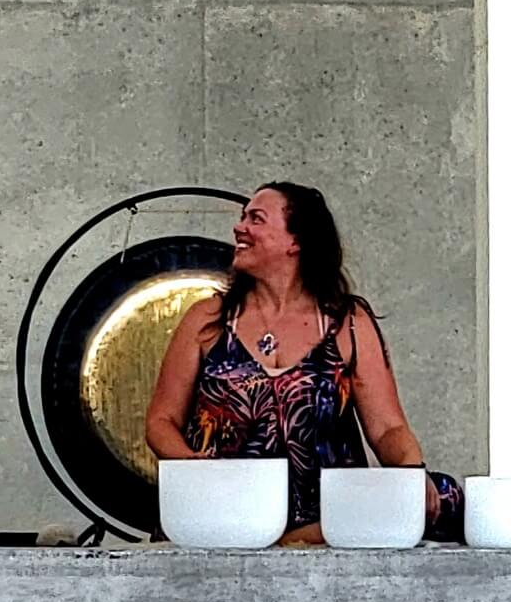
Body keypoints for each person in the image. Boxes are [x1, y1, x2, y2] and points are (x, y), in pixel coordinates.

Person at [144, 181, 463, 544]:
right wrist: (192, 466)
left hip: (327, 514)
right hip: (228, 512)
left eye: (256, 219)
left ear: (295, 242)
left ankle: (301, 536)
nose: (240, 227)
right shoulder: (207, 319)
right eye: (243, 217)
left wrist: (410, 474)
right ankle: (284, 539)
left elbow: (388, 428)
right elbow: (161, 420)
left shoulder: (348, 321)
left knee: (443, 494)